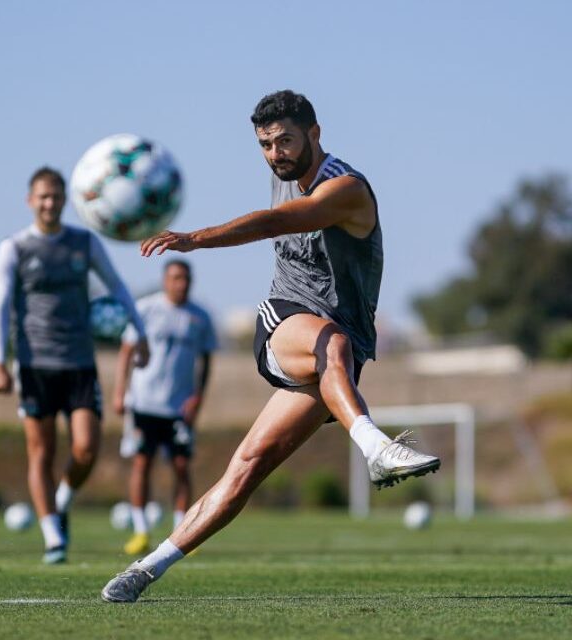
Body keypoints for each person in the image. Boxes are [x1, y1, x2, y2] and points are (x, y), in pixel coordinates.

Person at [102, 90, 439, 602]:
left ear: (316, 134)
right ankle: (376, 447)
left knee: (247, 467)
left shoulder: (346, 189)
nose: (275, 153)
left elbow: (282, 221)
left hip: (337, 360)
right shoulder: (286, 174)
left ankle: (145, 570)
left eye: (285, 140)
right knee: (333, 342)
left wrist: (200, 238)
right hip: (286, 325)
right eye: (265, 144)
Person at [0, 165, 149, 564]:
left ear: (66, 201)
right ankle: (52, 536)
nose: (49, 203)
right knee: (40, 453)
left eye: (56, 196)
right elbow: (0, 306)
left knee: (86, 448)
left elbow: (118, 287)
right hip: (34, 364)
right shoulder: (15, 247)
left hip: (79, 362)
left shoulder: (84, 243)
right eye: (42, 196)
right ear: (30, 201)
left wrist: (140, 331)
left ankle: (61, 502)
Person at [113, 259, 217, 556]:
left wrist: (198, 397)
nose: (180, 283)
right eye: (174, 278)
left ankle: (183, 533)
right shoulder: (146, 309)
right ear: (165, 280)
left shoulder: (200, 318)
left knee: (182, 467)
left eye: (185, 278)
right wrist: (120, 391)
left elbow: (206, 362)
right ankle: (141, 532)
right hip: (144, 403)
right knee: (141, 464)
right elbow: (126, 352)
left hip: (179, 407)